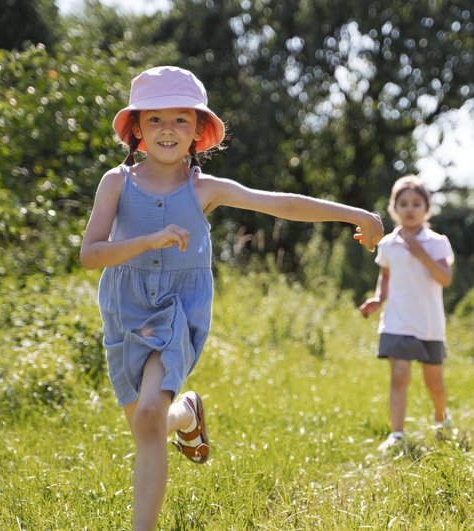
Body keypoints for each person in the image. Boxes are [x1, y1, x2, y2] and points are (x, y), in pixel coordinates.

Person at [80, 65, 384, 531]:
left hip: (177, 311)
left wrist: (355, 213)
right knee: (147, 423)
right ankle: (188, 414)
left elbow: (279, 203)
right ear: (137, 128)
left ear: (199, 131)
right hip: (125, 311)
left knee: (146, 414)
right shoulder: (116, 183)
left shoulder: (204, 189)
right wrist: (148, 240)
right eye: (155, 119)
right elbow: (91, 256)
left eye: (180, 119)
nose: (167, 130)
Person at [359, 176, 455, 452]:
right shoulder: (387, 244)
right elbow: (386, 275)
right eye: (403, 204)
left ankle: (441, 417)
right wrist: (379, 299)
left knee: (433, 381)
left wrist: (421, 253)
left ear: (427, 208)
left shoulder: (437, 242)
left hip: (429, 323)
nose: (410, 208)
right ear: (394, 208)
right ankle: (397, 434)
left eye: (416, 203)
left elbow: (445, 278)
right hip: (397, 320)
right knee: (399, 374)